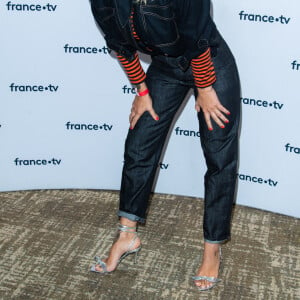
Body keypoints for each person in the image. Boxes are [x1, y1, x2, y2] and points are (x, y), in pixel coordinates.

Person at [89, 0, 240, 291]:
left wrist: (205, 88)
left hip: (209, 61)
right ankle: (127, 236)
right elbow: (120, 44)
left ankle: (212, 249)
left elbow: (197, 36)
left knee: (218, 155)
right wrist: (142, 90)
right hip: (166, 68)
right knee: (139, 144)